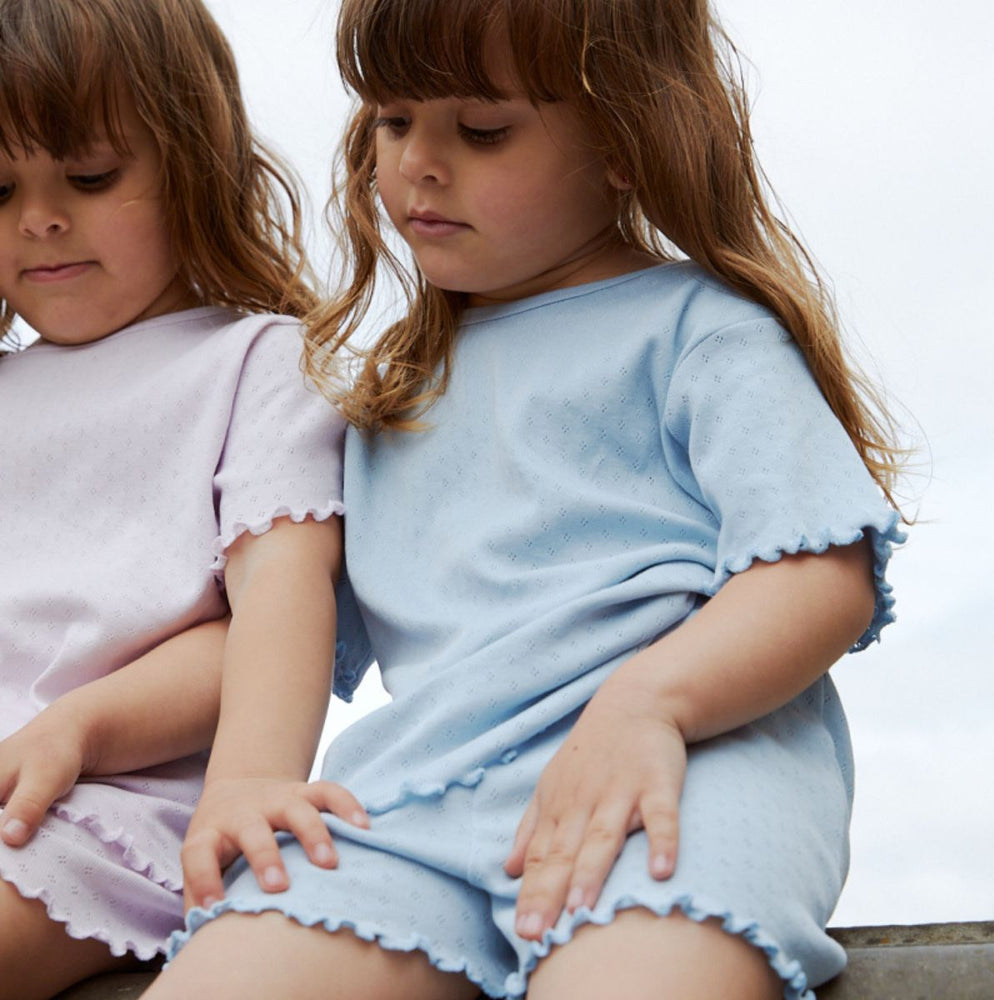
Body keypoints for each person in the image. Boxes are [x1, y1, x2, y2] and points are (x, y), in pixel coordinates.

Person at [155, 1, 908, 998]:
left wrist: (650, 700)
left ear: (626, 142)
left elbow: (820, 572)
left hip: (684, 761)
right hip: (418, 797)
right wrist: (94, 733)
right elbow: (271, 621)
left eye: (482, 131)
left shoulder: (701, 331)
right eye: (391, 121)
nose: (417, 162)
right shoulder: (389, 392)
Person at [0, 1, 368, 997]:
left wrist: (80, 730)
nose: (38, 218)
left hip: (96, 812)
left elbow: (274, 610)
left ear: (192, 160)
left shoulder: (259, 365)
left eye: (89, 175)